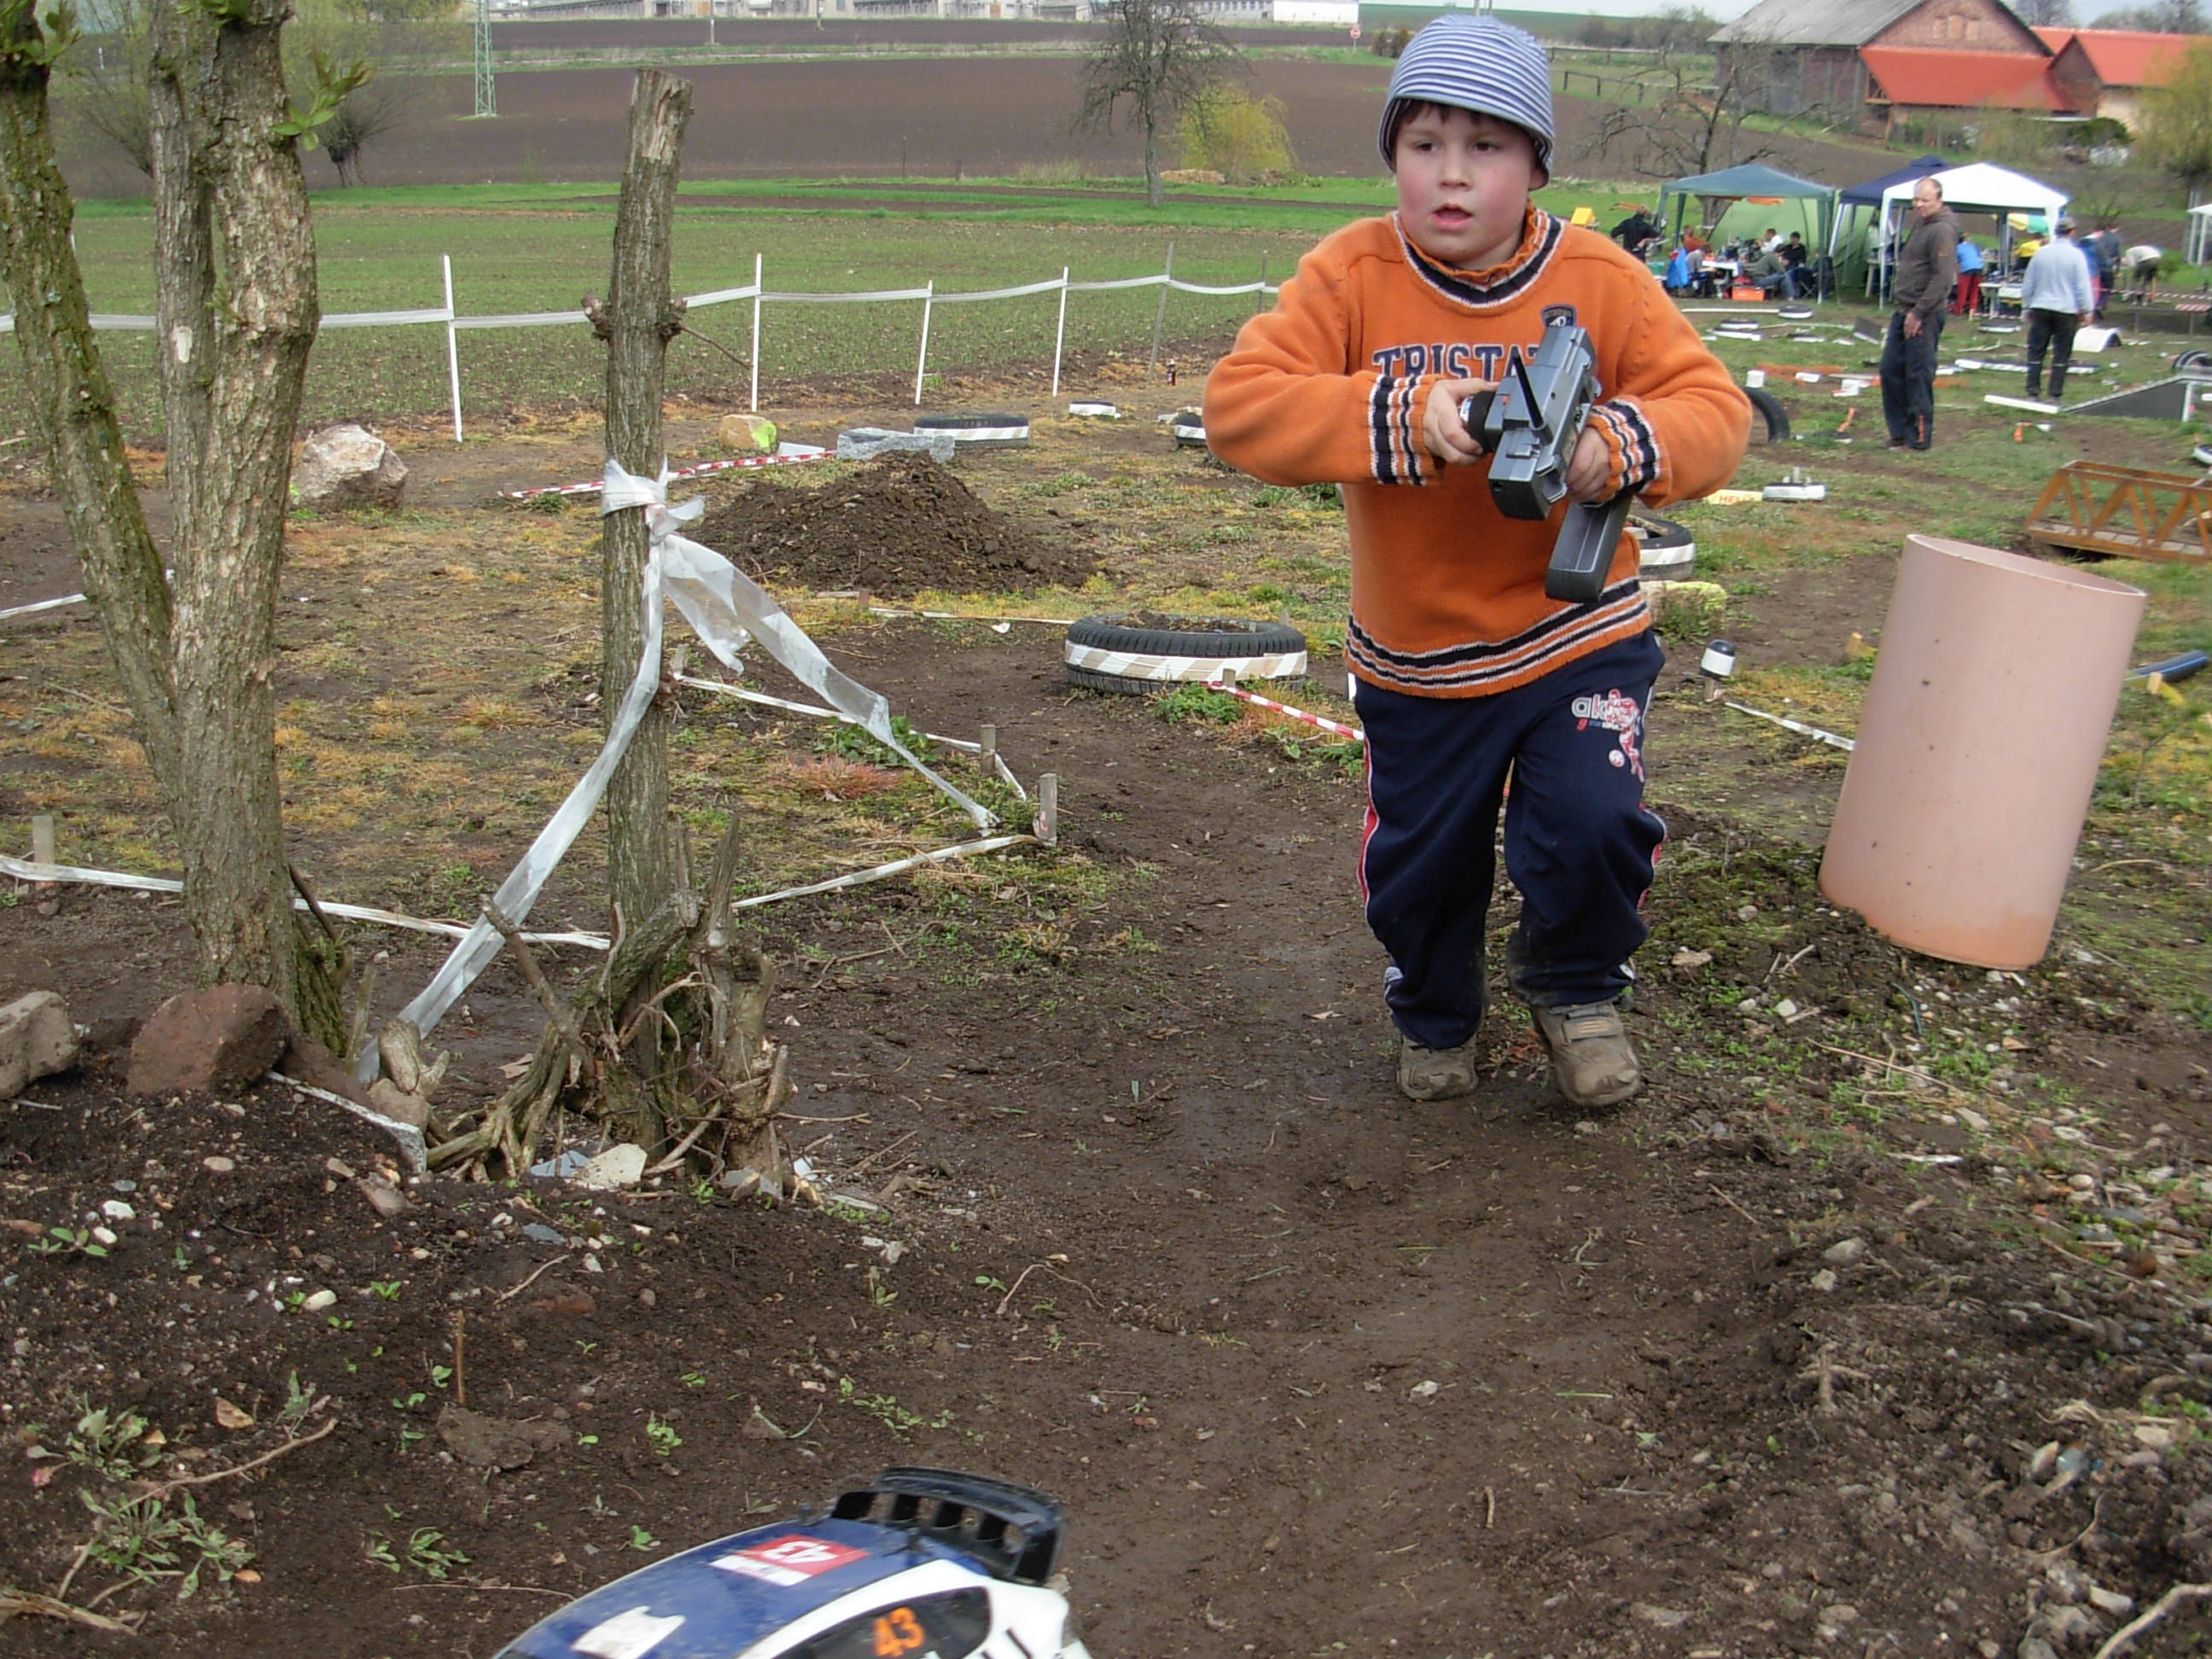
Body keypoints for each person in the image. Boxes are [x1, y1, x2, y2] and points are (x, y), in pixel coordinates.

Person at [1202, 15, 1751, 1109]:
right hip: (1419, 658)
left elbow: (1716, 412)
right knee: (1425, 870)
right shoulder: (1351, 274)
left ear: (1537, 165)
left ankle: (1579, 991)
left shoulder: (1601, 278)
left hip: (1577, 637)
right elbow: (1240, 409)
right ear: (1393, 156)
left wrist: (1617, 446)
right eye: (1425, 146)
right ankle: (1437, 1012)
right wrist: (1401, 411)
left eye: (1487, 148)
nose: (1452, 176)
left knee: (1596, 825)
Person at [1881, 177, 1957, 451]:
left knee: (1918, 375)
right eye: (1916, 200)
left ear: (1939, 200)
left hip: (1923, 313)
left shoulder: (1942, 231)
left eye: (1925, 200)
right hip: (1903, 310)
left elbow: (1942, 278)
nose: (1919, 205)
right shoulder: (1920, 225)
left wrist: (1919, 312)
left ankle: (1919, 437)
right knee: (1890, 371)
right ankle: (1899, 432)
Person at [2021, 218, 2095, 404]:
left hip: (2041, 307)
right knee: (2061, 353)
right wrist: (2087, 310)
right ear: (2072, 232)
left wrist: (2026, 305)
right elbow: (2082, 286)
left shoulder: (2041, 253)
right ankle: (2054, 394)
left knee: (2036, 351)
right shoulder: (2076, 255)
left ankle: (2032, 391)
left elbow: (2029, 282)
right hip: (2066, 310)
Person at [1953, 230, 1983, 316]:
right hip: (1978, 268)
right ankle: (1972, 311)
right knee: (1975, 290)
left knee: (1963, 291)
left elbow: (1956, 262)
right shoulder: (1971, 246)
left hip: (1966, 269)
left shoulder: (1957, 248)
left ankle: (1959, 311)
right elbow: (1978, 255)